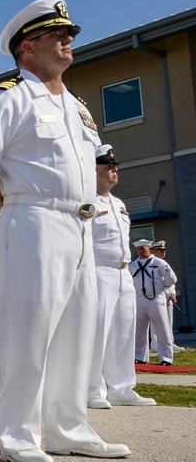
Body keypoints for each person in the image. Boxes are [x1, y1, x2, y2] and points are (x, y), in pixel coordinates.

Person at [0, 0, 131, 462]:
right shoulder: (8, 98)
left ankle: (68, 428)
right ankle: (17, 433)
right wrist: (12, 205)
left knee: (78, 330)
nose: (68, 39)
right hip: (32, 220)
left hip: (80, 225)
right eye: (58, 33)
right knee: (28, 330)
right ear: (27, 47)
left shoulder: (76, 107)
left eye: (69, 33)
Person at [88, 146, 156, 406]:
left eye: (114, 166)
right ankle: (93, 390)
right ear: (92, 171)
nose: (114, 170)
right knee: (98, 332)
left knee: (124, 331)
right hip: (98, 270)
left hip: (122, 271)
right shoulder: (86, 202)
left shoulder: (118, 203)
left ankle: (122, 388)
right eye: (108, 167)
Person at [130, 239, 177, 366]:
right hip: (139, 299)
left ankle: (166, 358)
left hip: (155, 299)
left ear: (149, 249)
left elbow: (171, 278)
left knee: (162, 329)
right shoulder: (133, 265)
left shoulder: (159, 263)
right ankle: (140, 357)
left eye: (142, 248)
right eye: (138, 249)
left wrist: (162, 289)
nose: (140, 251)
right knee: (139, 331)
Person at [150, 241, 182, 353]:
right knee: (156, 321)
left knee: (168, 320)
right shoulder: (151, 263)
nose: (164, 252)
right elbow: (157, 282)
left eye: (164, 250)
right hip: (156, 296)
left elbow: (171, 281)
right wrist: (169, 293)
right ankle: (155, 344)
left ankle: (170, 342)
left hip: (167, 297)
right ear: (153, 251)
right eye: (161, 250)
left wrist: (172, 293)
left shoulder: (163, 263)